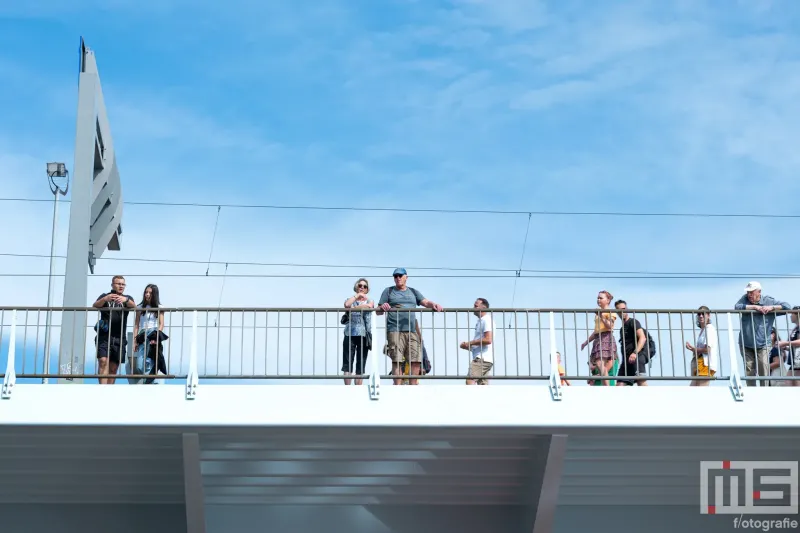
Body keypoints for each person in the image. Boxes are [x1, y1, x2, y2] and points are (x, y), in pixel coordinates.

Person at [377, 268, 443, 385]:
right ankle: (397, 387)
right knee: (397, 360)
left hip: (412, 330)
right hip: (394, 330)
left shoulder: (413, 291)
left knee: (416, 359)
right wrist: (382, 307)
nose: (397, 278)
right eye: (395, 276)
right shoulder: (388, 291)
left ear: (406, 277)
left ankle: (413, 388)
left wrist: (434, 304)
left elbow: (426, 302)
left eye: (400, 275)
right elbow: (378, 311)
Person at [734, 281, 791, 387]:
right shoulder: (745, 299)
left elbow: (787, 307)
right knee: (749, 370)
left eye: (752, 292)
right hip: (746, 343)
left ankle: (764, 393)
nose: (749, 295)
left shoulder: (768, 300)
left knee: (763, 369)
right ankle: (751, 393)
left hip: (763, 344)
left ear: (759, 292)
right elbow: (737, 307)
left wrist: (771, 308)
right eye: (748, 292)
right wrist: (754, 307)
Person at [92, 275, 135, 385]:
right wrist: (105, 299)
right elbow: (95, 305)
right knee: (103, 361)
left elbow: (134, 306)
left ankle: (109, 390)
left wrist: (126, 300)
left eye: (123, 284)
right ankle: (102, 389)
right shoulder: (105, 296)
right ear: (112, 285)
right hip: (104, 335)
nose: (121, 286)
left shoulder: (127, 298)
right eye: (118, 284)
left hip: (119, 337)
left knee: (113, 367)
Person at [581, 290, 618, 386]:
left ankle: (606, 387)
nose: (598, 300)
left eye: (601, 298)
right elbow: (597, 330)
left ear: (608, 300)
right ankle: (605, 386)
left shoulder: (610, 312)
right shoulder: (598, 314)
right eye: (598, 298)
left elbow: (610, 325)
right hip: (598, 338)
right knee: (599, 364)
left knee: (600, 363)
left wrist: (601, 316)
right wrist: (586, 342)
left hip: (606, 337)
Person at [132, 284, 167, 385]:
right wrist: (135, 340)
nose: (147, 295)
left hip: (153, 333)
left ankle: (150, 383)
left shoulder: (160, 307)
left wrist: (156, 336)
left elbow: (161, 324)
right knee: (139, 364)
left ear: (154, 295)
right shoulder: (140, 307)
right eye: (146, 292)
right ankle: (148, 382)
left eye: (150, 293)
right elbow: (136, 325)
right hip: (142, 334)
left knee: (149, 361)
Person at [342, 278, 374, 385]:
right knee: (347, 362)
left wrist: (355, 308)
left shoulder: (370, 300)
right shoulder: (350, 299)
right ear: (356, 287)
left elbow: (370, 306)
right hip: (349, 333)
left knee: (361, 363)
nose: (362, 288)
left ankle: (358, 389)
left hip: (364, 334)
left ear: (367, 289)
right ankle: (347, 389)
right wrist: (357, 298)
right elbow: (347, 305)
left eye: (364, 286)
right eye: (360, 285)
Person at [614, 299, 652, 386]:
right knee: (619, 384)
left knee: (640, 380)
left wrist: (635, 353)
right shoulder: (622, 328)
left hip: (637, 357)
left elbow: (642, 338)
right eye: (619, 310)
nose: (622, 312)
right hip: (626, 361)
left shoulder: (633, 322)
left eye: (624, 309)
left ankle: (650, 399)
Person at [459, 298, 493, 385]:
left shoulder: (486, 320)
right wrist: (468, 346)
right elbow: (482, 344)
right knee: (483, 386)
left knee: (470, 379)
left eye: (476, 305)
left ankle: (469, 398)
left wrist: (470, 343)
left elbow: (488, 339)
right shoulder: (481, 321)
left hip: (482, 358)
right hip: (484, 358)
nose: (473, 307)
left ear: (484, 307)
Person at [685, 306, 718, 386]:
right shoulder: (703, 330)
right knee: (693, 393)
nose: (701, 316)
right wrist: (693, 350)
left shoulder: (709, 329)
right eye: (699, 314)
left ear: (708, 315)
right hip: (699, 365)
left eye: (703, 314)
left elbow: (707, 349)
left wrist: (694, 349)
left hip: (705, 365)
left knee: (701, 393)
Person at [776, 306, 800, 387]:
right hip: (795, 363)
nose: (790, 316)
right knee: (788, 385)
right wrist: (786, 347)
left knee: (796, 387)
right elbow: (795, 345)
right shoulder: (796, 328)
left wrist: (785, 343)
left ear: (797, 314)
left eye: (792, 313)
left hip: (798, 362)